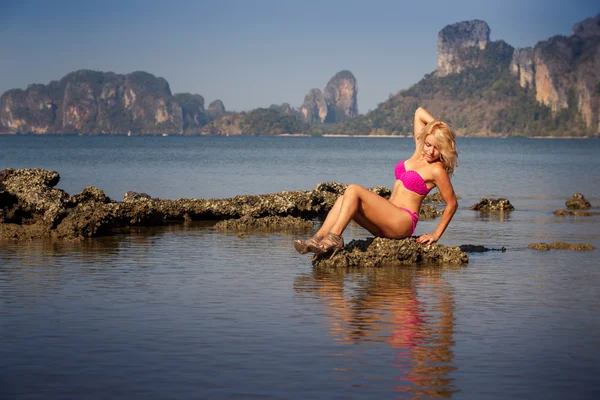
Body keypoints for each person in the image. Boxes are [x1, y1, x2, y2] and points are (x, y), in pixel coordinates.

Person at [294, 106, 458, 258]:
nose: (430, 150)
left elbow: (452, 204)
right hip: (387, 218)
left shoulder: (437, 170)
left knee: (353, 189)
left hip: (402, 222)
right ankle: (317, 238)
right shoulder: (419, 151)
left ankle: (335, 237)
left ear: (443, 148)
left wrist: (435, 235)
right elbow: (419, 113)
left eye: (436, 148)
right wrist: (438, 129)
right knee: (344, 198)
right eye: (428, 144)